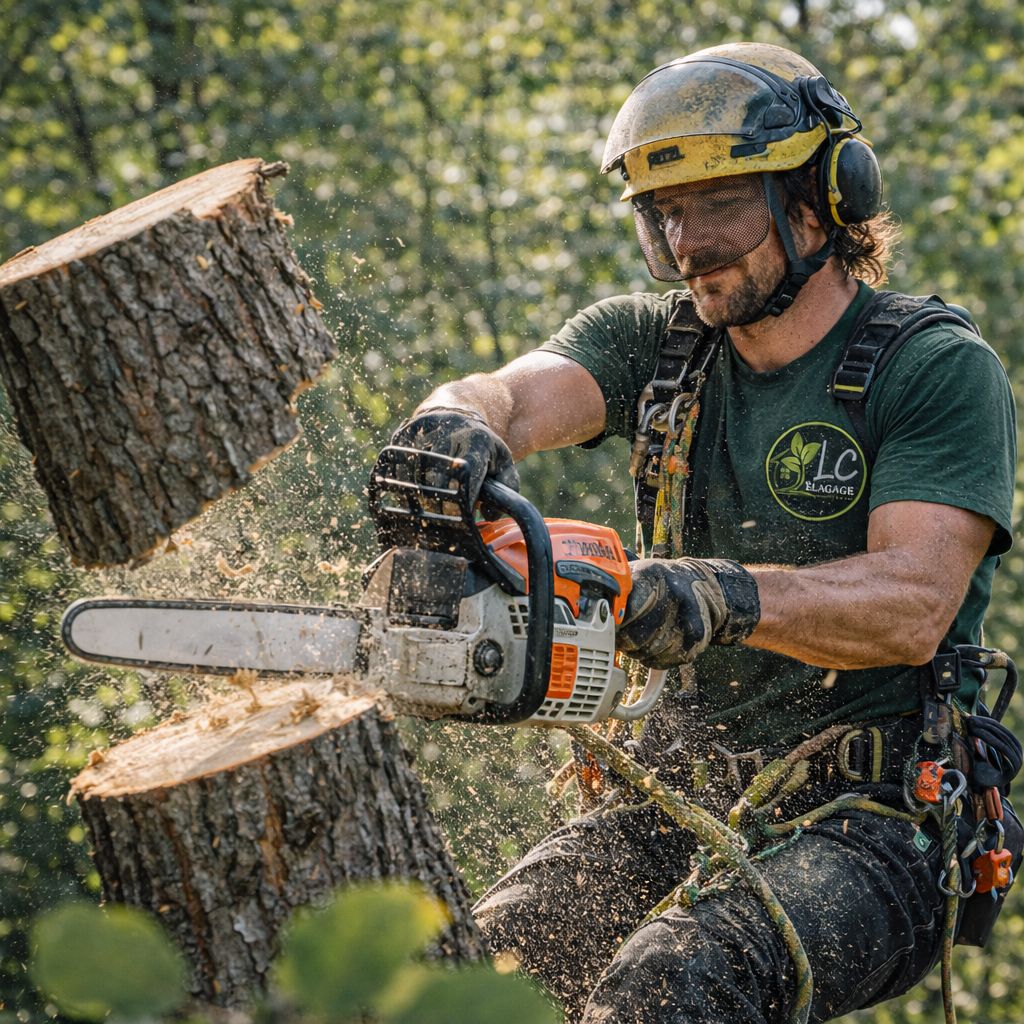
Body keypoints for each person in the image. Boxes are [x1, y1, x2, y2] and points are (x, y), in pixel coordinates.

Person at [382, 43, 1017, 1023]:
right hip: (673, 792)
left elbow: (912, 603)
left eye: (718, 203)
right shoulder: (654, 345)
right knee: (476, 971)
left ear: (823, 197)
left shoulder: (929, 366)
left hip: (880, 820)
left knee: (675, 977)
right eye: (664, 211)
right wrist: (450, 425)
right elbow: (508, 393)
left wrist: (713, 592)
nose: (688, 240)